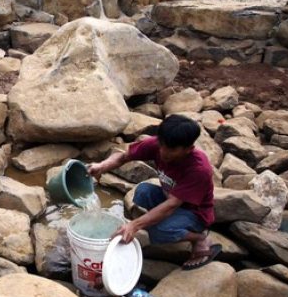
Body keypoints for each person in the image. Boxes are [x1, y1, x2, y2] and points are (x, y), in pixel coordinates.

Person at [88, 114, 221, 270]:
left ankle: (199, 238)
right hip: (171, 199)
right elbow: (123, 157)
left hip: (195, 213)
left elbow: (172, 205)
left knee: (157, 230)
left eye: (171, 149)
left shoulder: (198, 169)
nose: (163, 152)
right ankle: (167, 225)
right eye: (162, 145)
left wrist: (135, 225)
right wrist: (101, 166)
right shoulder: (157, 145)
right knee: (142, 192)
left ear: (188, 149)